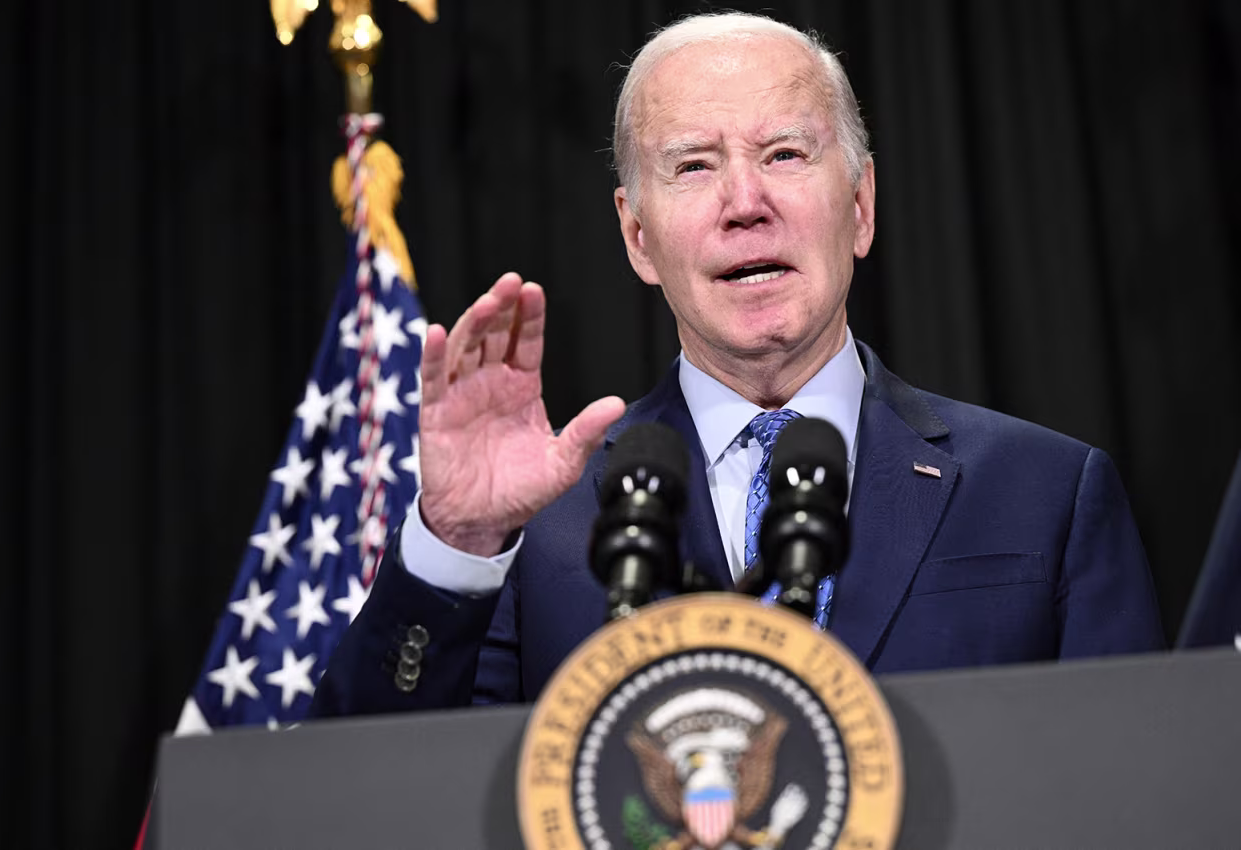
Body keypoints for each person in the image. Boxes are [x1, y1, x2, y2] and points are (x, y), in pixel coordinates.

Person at [309, 12, 1163, 718]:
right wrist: (457, 543)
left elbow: (1134, 787)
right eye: (693, 166)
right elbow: (362, 794)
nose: (745, 204)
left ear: (860, 207)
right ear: (637, 237)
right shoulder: (535, 529)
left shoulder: (1049, 492)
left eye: (785, 154)